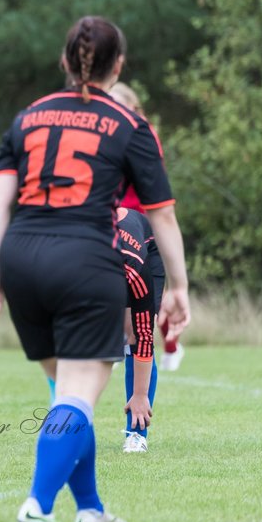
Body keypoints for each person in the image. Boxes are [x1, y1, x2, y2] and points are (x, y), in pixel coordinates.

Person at [0, 16, 189, 522]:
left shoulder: (27, 117)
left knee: (67, 391)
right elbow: (159, 214)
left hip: (21, 256)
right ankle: (37, 505)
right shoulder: (130, 124)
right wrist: (179, 287)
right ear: (118, 67)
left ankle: (90, 510)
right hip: (85, 257)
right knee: (77, 393)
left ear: (64, 63)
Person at [110, 82, 185, 373]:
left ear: (133, 108)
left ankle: (169, 346)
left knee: (145, 305)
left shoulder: (143, 135)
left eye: (118, 104)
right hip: (112, 223)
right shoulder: (103, 134)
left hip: (138, 225)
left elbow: (154, 194)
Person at [117, 206, 160, 453]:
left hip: (150, 252)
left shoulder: (134, 264)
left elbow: (145, 336)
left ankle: (136, 433)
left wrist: (140, 395)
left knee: (133, 332)